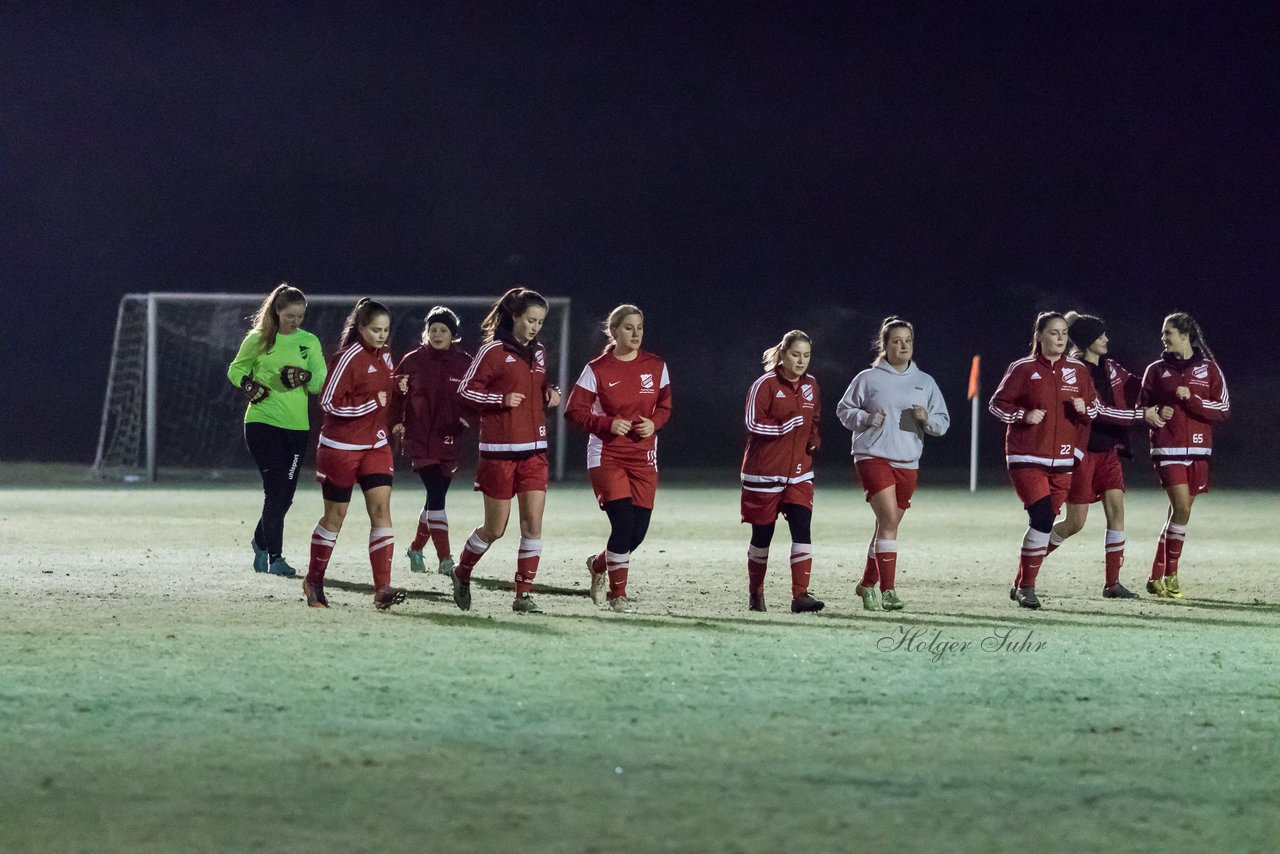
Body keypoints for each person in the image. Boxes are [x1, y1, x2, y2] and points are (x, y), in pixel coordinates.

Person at [450, 287, 562, 613]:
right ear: (515, 317)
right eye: (530, 320)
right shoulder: (493, 351)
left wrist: (550, 392)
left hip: (534, 451)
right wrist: (499, 399)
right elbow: (466, 390)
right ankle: (463, 571)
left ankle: (523, 595)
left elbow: (537, 386)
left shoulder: (539, 352)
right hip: (498, 453)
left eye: (540, 322)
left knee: (532, 526)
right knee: (495, 529)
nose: (534, 327)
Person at [836, 316, 949, 612]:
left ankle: (866, 584)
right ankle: (889, 591)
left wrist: (928, 420)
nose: (902, 346)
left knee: (886, 527)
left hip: (908, 461)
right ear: (884, 345)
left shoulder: (925, 383)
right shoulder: (868, 378)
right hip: (872, 457)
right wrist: (865, 418)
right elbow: (844, 409)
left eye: (907, 341)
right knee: (888, 523)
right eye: (896, 341)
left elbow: (943, 422)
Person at [564, 304, 672, 612]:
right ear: (614, 331)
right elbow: (574, 411)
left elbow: (665, 406)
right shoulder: (597, 369)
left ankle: (598, 564)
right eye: (628, 327)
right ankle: (618, 594)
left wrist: (656, 422)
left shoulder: (656, 365)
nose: (636, 333)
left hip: (644, 458)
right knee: (623, 525)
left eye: (639, 327)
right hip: (607, 455)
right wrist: (606, 423)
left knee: (635, 535)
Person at [302, 298, 407, 611]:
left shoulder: (386, 356)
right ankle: (314, 581)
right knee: (336, 516)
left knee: (381, 512)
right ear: (361, 328)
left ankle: (382, 589)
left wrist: (397, 387)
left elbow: (383, 391)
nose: (381, 336)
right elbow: (329, 403)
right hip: (341, 448)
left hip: (375, 445)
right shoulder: (347, 357)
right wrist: (371, 403)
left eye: (386, 330)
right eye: (375, 329)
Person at [988, 311, 1097, 609]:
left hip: (1062, 461)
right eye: (1053, 332)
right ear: (1039, 336)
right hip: (1026, 457)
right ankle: (1027, 587)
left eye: (1064, 333)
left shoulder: (1079, 371)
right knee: (1042, 518)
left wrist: (1083, 407)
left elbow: (1094, 410)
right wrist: (1023, 415)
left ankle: (1020, 580)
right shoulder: (1022, 368)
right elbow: (997, 404)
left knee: (1045, 524)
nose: (1060, 338)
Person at [226, 283, 327, 578]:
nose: (295, 321)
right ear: (277, 312)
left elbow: (318, 381)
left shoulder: (309, 342)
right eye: (290, 316)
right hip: (261, 422)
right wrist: (248, 384)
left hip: (296, 428)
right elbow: (235, 369)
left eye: (300, 316)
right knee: (277, 489)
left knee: (286, 495)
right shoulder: (258, 339)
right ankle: (276, 557)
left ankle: (259, 540)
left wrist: (307, 375)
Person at [1040, 312, 1144, 598]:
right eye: (1101, 336)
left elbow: (1139, 383)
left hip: (1109, 453)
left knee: (1117, 513)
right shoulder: (1076, 371)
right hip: (1083, 454)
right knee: (1075, 523)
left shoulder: (1111, 368)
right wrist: (1141, 415)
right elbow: (1099, 412)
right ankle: (1029, 564)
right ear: (1088, 341)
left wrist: (1165, 380)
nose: (1107, 340)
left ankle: (1112, 584)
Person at [1138, 312, 1229, 599]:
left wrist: (1194, 399)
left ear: (1185, 335)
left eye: (1168, 333)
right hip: (1167, 449)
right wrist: (1157, 413)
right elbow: (1142, 409)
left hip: (1200, 451)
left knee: (1177, 514)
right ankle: (1171, 574)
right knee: (1182, 509)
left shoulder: (1209, 369)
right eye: (1164, 333)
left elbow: (1224, 409)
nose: (1163, 338)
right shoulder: (1155, 370)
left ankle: (1155, 576)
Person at [740, 330, 825, 614]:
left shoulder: (812, 384)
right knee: (762, 536)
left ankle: (800, 596)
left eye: (806, 356)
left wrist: (813, 438)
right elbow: (752, 422)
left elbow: (813, 419)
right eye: (795, 355)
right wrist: (782, 426)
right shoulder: (764, 384)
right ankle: (756, 593)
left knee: (802, 530)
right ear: (783, 354)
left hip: (799, 473)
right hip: (763, 473)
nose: (801, 361)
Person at [391, 307, 474, 578]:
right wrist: (396, 419)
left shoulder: (464, 362)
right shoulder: (412, 360)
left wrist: (467, 416)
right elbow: (396, 393)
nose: (437, 334)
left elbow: (475, 396)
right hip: (419, 436)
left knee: (433, 500)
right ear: (426, 332)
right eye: (433, 329)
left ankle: (416, 548)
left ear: (453, 335)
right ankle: (446, 558)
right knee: (436, 496)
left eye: (443, 330)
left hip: (449, 439)